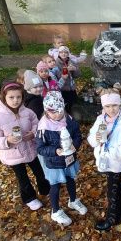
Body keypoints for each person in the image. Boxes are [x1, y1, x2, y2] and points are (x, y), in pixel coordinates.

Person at [0, 83, 51, 212]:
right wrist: (7, 140)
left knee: (39, 172)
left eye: (18, 97)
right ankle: (29, 198)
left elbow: (37, 124)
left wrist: (33, 133)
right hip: (13, 155)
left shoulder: (27, 112)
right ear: (4, 98)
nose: (15, 100)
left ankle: (45, 189)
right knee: (23, 178)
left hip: (30, 149)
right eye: (11, 97)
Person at [88, 88, 121, 231]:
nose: (111, 109)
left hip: (115, 162)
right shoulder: (101, 119)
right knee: (117, 186)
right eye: (107, 106)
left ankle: (112, 219)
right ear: (103, 106)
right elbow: (91, 137)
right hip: (105, 160)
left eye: (114, 105)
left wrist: (112, 153)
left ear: (120, 104)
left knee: (112, 192)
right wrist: (95, 138)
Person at [36, 91, 87, 226]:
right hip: (54, 163)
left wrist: (76, 144)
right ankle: (56, 211)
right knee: (55, 186)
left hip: (69, 159)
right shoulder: (43, 127)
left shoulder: (69, 121)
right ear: (46, 112)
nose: (58, 114)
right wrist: (54, 151)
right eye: (53, 112)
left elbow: (77, 135)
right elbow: (40, 148)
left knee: (71, 180)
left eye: (60, 110)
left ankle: (73, 200)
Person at [55, 46, 82, 114]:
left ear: (68, 53)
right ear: (59, 54)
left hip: (72, 88)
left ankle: (73, 117)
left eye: (65, 52)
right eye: (61, 52)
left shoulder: (71, 62)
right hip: (63, 89)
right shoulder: (56, 63)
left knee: (73, 106)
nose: (63, 54)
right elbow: (58, 76)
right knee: (65, 108)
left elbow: (78, 75)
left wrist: (75, 69)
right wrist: (66, 70)